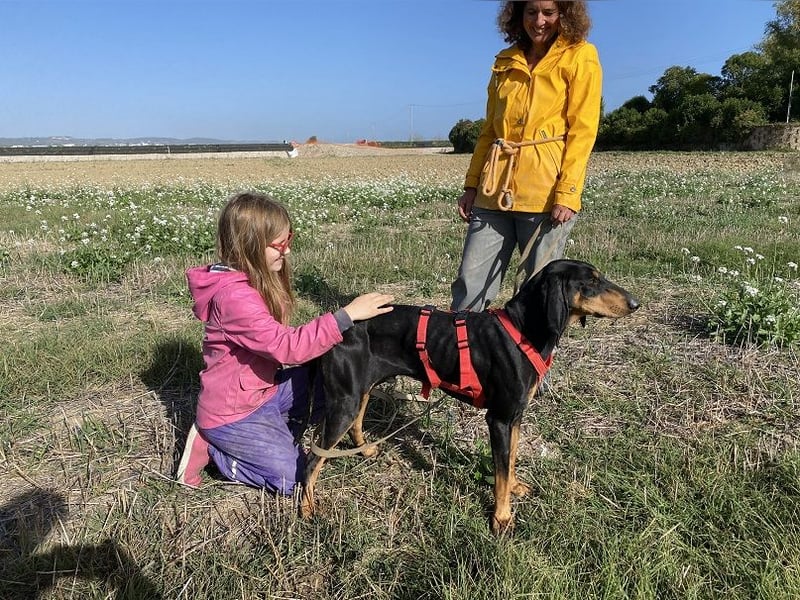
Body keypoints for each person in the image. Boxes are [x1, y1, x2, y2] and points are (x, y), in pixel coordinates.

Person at [176, 191, 394, 494]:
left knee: (337, 386)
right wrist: (347, 316)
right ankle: (218, 452)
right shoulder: (234, 298)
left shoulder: (250, 281)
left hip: (264, 392)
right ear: (250, 245)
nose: (287, 251)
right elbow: (287, 347)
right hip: (233, 414)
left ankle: (271, 431)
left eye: (288, 239)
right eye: (280, 244)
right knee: (295, 479)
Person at [451, 0, 602, 312]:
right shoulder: (504, 61)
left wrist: (568, 192)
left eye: (549, 12)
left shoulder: (581, 55)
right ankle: (461, 355)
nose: (539, 21)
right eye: (531, 12)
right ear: (518, 15)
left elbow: (582, 130)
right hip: (493, 191)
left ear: (565, 13)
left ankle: (531, 359)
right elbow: (490, 131)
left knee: (537, 290)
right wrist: (472, 185)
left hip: (545, 194)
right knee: (470, 282)